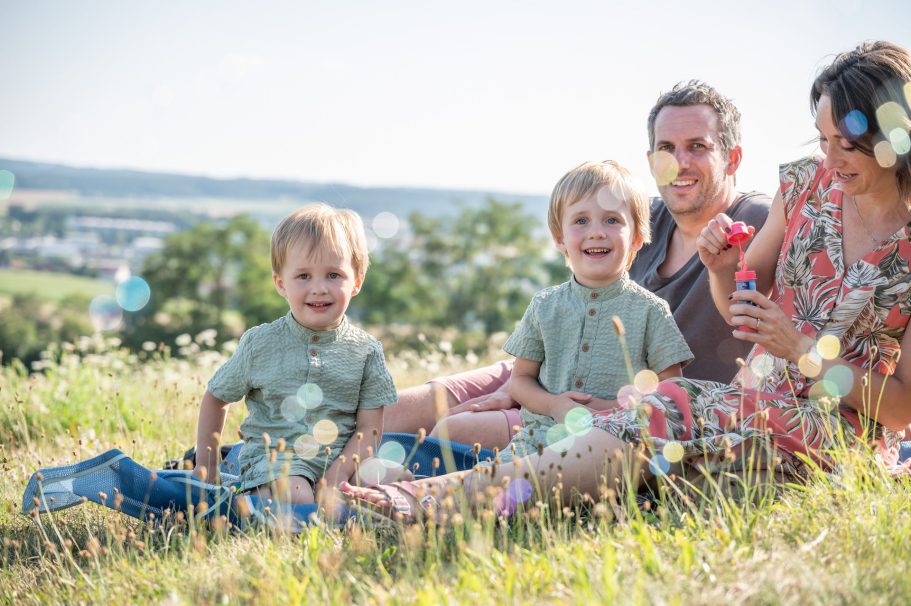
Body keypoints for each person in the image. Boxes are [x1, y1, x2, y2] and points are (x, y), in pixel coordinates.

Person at [342, 40, 911, 520]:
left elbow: (903, 410)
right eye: (823, 139)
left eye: (848, 144)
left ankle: (433, 499)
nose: (831, 159)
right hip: (739, 399)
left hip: (829, 431)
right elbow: (742, 309)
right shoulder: (807, 187)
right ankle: (355, 470)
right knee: (618, 404)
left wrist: (805, 353)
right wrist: (720, 271)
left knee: (652, 410)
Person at [384, 81, 771, 450]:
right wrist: (518, 391)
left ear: (732, 158)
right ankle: (330, 475)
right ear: (652, 161)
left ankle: (394, 488)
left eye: (698, 146)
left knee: (455, 431)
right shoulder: (642, 217)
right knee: (411, 406)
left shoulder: (758, 222)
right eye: (667, 148)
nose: (680, 162)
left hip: (619, 409)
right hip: (557, 375)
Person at [481, 159, 693, 463]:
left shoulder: (650, 311)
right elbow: (520, 381)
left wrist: (613, 408)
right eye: (580, 220)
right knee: (491, 484)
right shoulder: (545, 306)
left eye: (611, 220)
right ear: (559, 237)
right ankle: (414, 489)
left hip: (613, 446)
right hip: (538, 440)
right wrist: (554, 405)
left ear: (636, 237)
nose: (596, 232)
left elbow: (670, 394)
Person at [194, 203, 398, 504]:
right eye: (303, 276)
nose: (318, 288)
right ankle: (286, 513)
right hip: (276, 463)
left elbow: (370, 428)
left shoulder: (365, 351)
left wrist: (338, 474)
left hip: (342, 460)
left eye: (333, 275)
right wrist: (206, 469)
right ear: (281, 283)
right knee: (297, 494)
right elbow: (216, 397)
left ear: (356, 281)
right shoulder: (260, 343)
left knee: (400, 483)